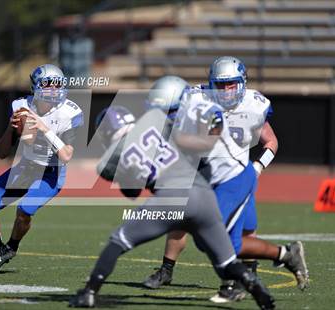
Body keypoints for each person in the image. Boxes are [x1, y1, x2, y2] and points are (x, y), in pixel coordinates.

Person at [69, 78, 275, 309]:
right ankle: (255, 286)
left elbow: (132, 192)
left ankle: (89, 292)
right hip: (203, 194)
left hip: (171, 199)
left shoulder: (112, 159)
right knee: (225, 260)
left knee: (118, 241)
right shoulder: (161, 124)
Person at [143, 57, 309, 302]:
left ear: (242, 82)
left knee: (243, 230)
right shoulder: (197, 98)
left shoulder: (255, 105)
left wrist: (257, 167)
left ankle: (244, 278)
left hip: (238, 177)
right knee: (187, 224)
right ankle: (169, 270)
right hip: (201, 174)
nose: (226, 90)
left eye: (231, 84)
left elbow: (271, 141)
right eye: (220, 85)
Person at [0, 64, 83, 273]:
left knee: (25, 210)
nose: (53, 90)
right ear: (35, 87)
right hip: (25, 169)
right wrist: (11, 127)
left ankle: (12, 247)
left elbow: (66, 155)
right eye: (48, 85)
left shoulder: (70, 112)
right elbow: (2, 152)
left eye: (57, 85)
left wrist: (45, 129)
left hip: (51, 173)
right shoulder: (21, 107)